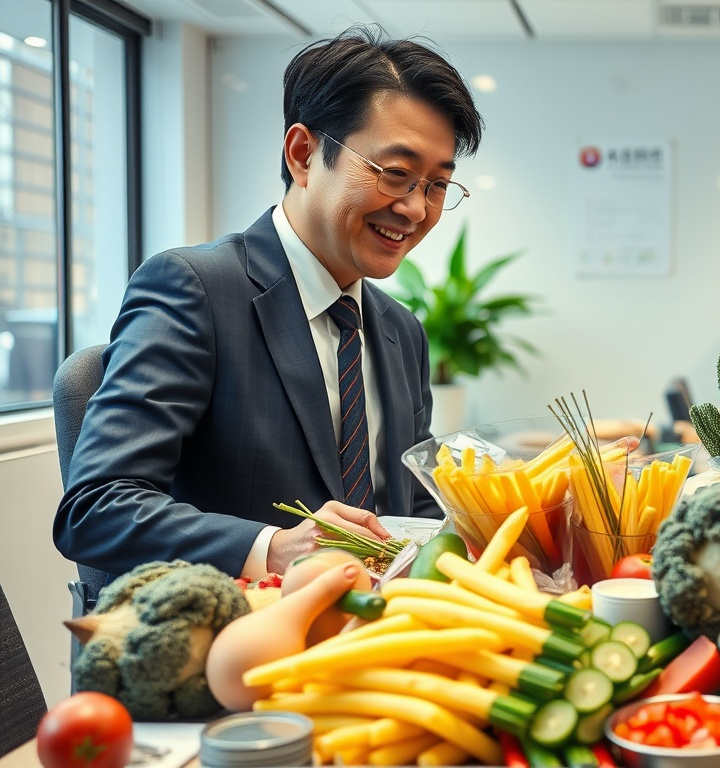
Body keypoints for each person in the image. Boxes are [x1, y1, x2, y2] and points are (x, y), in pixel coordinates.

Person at [54, 26, 483, 597]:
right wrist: (275, 548)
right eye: (395, 173)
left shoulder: (400, 330)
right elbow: (96, 507)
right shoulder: (196, 289)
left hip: (384, 637)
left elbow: (413, 502)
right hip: (244, 644)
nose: (414, 208)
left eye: (436, 185)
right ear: (304, 153)